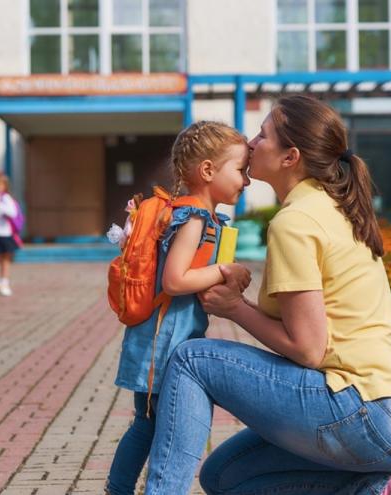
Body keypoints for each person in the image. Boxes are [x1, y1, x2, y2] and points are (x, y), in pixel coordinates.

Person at [143, 95, 391, 495]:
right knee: (224, 476)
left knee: (192, 359)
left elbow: (308, 349)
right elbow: (309, 332)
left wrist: (236, 309)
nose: (252, 142)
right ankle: (370, 488)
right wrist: (235, 306)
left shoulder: (296, 221)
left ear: (290, 156)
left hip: (363, 412)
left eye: (263, 134)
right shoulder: (330, 207)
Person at [106, 121, 252, 495]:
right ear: (207, 171)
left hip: (160, 339)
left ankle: (119, 488)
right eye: (240, 170)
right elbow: (175, 281)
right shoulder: (195, 219)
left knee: (147, 421)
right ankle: (118, 489)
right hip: (163, 343)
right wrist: (222, 270)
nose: (247, 181)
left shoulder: (192, 215)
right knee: (148, 423)